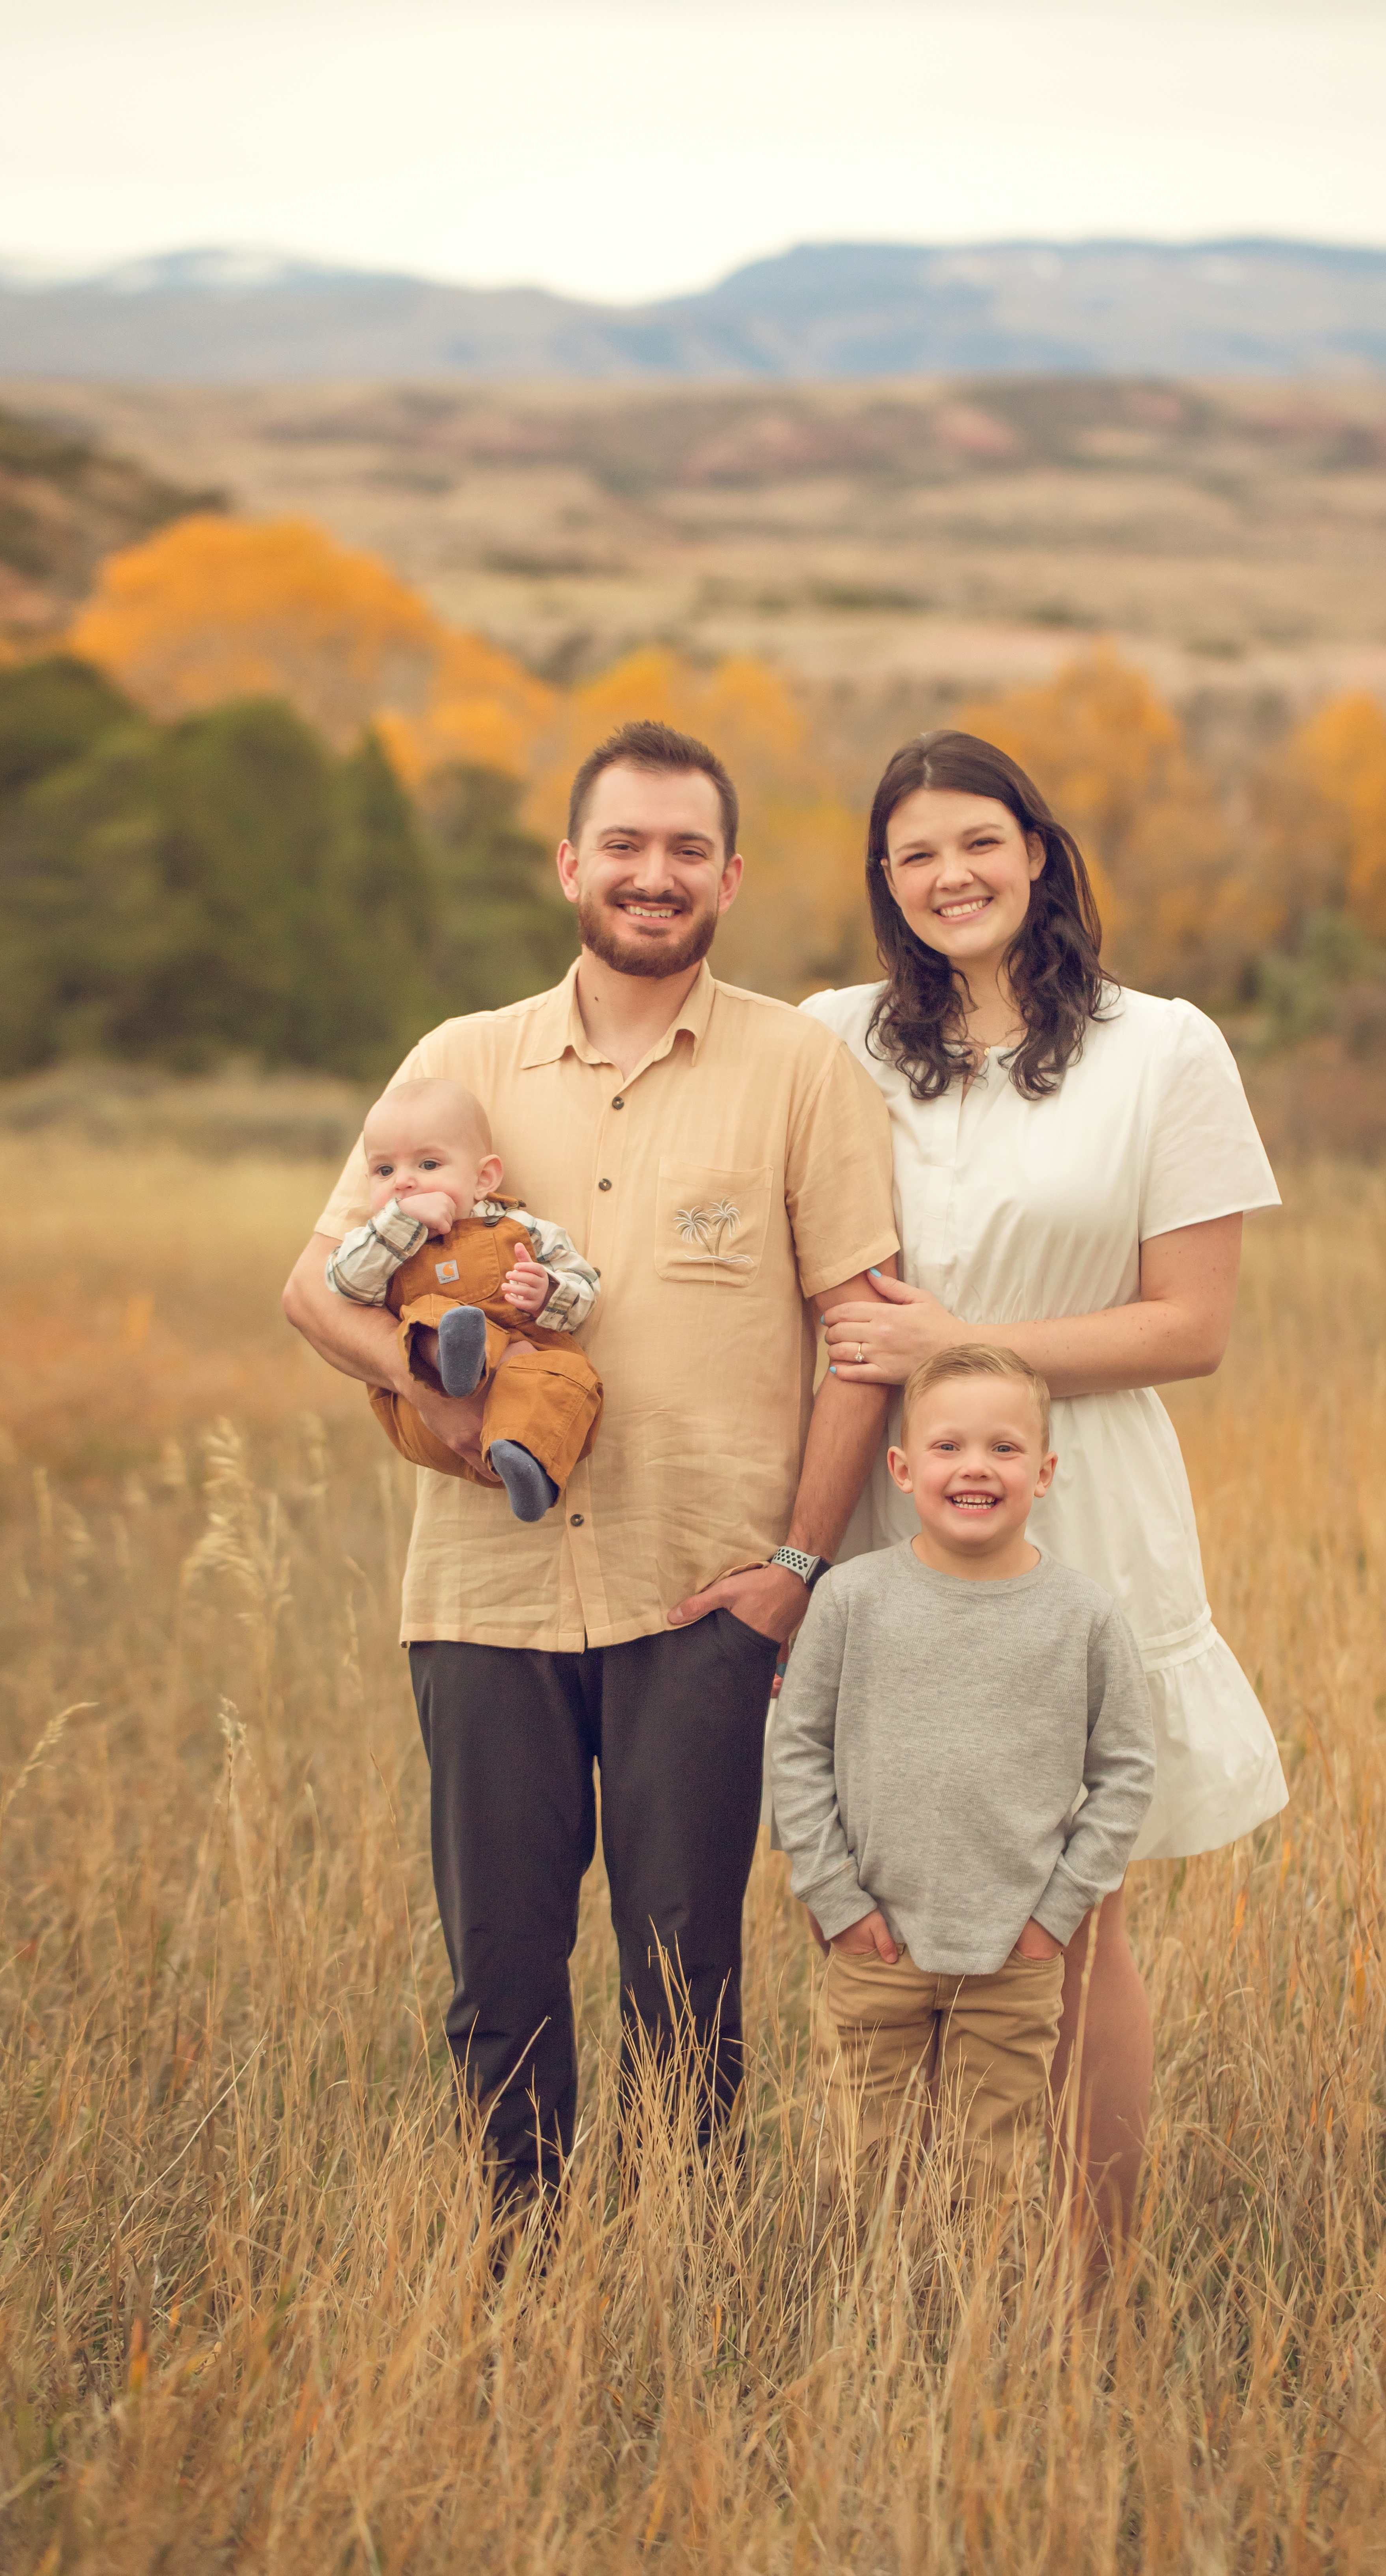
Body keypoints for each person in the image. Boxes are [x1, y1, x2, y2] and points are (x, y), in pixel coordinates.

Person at [283, 718, 898, 2208]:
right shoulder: (459, 1063)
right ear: (570, 862)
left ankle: (683, 2277)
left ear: (730, 875)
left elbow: (861, 1340)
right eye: (622, 842)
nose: (652, 872)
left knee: (685, 1967)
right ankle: (525, 2278)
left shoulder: (799, 1069)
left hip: (699, 1593)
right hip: (485, 1594)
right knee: (500, 1966)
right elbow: (317, 1288)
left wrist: (796, 1569)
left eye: (687, 847)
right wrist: (427, 1404)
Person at [800, 730, 1287, 2234]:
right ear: (885, 884)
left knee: (1063, 1919)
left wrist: (960, 1339)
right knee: (890, 1920)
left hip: (1080, 1509)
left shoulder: (1163, 1046)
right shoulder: (834, 1037)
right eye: (913, 854)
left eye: (976, 841)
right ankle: (920, 2272)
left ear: (1035, 849)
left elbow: (1186, 1326)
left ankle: (1083, 2291)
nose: (950, 874)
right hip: (889, 1523)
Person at [770, 1344, 1154, 2207]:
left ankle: (980, 2331)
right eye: (947, 1448)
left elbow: (1127, 1772)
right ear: (902, 1469)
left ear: (1045, 1472)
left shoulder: (1083, 1617)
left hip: (1013, 1956)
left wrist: (1055, 1916)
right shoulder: (852, 1601)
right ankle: (865, 2328)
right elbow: (796, 1752)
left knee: (995, 2175)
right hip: (874, 1943)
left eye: (1003, 1449)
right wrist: (835, 1897)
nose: (975, 1467)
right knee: (862, 2168)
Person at [325, 1074, 603, 1522]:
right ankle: (454, 1355)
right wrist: (401, 1223)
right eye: (384, 1171)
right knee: (435, 1314)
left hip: (512, 1384)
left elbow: (586, 1288)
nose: (404, 1184)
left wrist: (548, 1291)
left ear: (483, 1178)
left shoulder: (525, 1230)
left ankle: (524, 1461)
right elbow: (345, 1283)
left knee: (560, 1370)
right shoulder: (378, 1240)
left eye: (429, 1165)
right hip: (430, 1403)